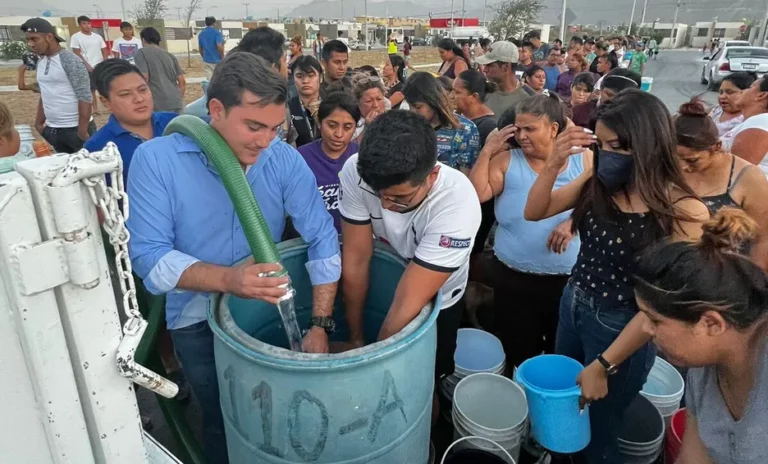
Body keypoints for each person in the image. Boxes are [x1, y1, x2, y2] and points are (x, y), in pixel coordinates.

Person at [126, 53, 341, 464]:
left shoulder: (282, 158)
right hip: (195, 322)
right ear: (216, 110)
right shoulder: (158, 160)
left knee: (282, 417)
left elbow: (322, 235)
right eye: (254, 126)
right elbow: (149, 258)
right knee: (224, 418)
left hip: (267, 313)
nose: (264, 140)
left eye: (275, 128)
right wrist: (229, 280)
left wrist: (319, 323)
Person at [524, 89, 708, 464]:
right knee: (564, 408)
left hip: (625, 327)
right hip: (574, 303)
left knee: (598, 431)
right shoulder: (600, 185)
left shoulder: (684, 211)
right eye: (602, 145)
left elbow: (659, 305)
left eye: (619, 146)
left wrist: (605, 364)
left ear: (649, 145)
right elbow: (535, 210)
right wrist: (553, 163)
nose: (608, 155)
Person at [338, 109, 481, 416]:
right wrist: (355, 339)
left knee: (425, 374)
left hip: (438, 297)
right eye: (377, 196)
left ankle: (426, 421)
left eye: (399, 198)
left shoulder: (458, 205)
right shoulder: (356, 170)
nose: (386, 207)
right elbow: (356, 259)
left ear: (431, 176)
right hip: (386, 276)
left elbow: (409, 299)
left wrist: (370, 363)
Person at [635, 208, 768, 464]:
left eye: (655, 321)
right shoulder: (703, 372)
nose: (646, 330)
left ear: (711, 323)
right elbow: (694, 458)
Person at [470, 93, 588, 369]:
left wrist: (573, 223)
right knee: (518, 349)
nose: (522, 136)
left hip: (566, 280)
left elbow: (596, 202)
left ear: (554, 129)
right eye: (518, 129)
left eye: (530, 129)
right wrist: (488, 150)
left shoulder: (582, 160)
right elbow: (478, 193)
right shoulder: (507, 161)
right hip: (513, 279)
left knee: (562, 352)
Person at [675, 97, 768, 266]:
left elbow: (763, 239)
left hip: (728, 274)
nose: (683, 168)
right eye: (675, 159)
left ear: (717, 147)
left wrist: (757, 281)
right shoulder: (666, 167)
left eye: (692, 160)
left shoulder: (748, 177)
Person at [85, 59, 177, 184]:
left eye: (142, 90)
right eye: (125, 94)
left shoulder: (175, 124)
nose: (139, 99)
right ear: (105, 102)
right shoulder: (97, 148)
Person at [22, 17, 95, 153]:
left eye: (34, 39)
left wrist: (82, 131)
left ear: (49, 37)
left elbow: (84, 96)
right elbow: (45, 93)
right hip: (54, 130)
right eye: (28, 40)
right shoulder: (41, 62)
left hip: (76, 129)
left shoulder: (69, 60)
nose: (31, 44)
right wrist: (38, 123)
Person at [298, 92, 360, 233]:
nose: (339, 134)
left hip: (354, 239)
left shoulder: (363, 158)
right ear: (319, 123)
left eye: (348, 127)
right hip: (310, 240)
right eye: (332, 125)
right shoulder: (300, 158)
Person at [404, 72, 481, 173]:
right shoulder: (406, 126)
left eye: (418, 107)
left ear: (433, 101)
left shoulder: (465, 130)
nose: (413, 112)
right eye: (410, 106)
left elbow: (467, 175)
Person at [133, 27, 185, 114]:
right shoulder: (170, 55)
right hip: (176, 102)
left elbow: (144, 78)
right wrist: (179, 98)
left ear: (143, 39)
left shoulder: (141, 53)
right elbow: (182, 82)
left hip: (158, 104)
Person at [722, 76, 768, 175]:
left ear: (761, 95)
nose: (742, 91)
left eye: (750, 87)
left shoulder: (760, 121)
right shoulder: (756, 121)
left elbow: (737, 171)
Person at [476, 41, 534, 117]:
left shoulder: (529, 100)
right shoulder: (483, 92)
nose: (485, 70)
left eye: (490, 65)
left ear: (506, 67)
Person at [572, 68, 641, 129]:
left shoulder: (635, 121)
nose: (613, 101)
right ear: (601, 89)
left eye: (621, 98)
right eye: (609, 94)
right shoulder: (579, 113)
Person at [70, 15, 108, 114]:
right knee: (91, 89)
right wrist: (86, 65)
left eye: (88, 23)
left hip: (99, 65)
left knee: (103, 86)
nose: (87, 26)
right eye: (84, 23)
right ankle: (95, 109)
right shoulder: (76, 37)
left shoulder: (97, 37)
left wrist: (105, 61)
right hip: (86, 66)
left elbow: (104, 49)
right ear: (79, 25)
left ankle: (108, 106)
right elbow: (76, 52)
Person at [453, 69, 498, 146]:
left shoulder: (488, 126)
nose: (451, 96)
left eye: (457, 92)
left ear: (474, 97)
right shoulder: (456, 115)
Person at [288, 55, 323, 147]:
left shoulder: (331, 105)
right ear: (293, 79)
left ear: (321, 78)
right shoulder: (287, 107)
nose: (305, 81)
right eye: (299, 76)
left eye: (311, 76)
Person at [710, 72, 754, 137]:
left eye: (729, 92)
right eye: (721, 92)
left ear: (746, 93)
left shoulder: (748, 120)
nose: (722, 96)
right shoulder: (717, 110)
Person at [352, 75, 387, 142]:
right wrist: (367, 128)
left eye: (379, 99)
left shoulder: (392, 120)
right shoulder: (351, 124)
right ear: (358, 103)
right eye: (369, 101)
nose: (376, 105)